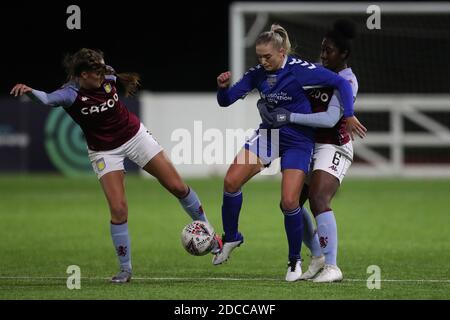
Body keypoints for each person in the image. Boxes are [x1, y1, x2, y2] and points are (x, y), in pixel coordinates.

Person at [10, 48, 221, 284]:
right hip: (104, 151)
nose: (101, 76)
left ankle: (212, 237)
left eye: (101, 70)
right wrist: (29, 92)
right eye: (95, 73)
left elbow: (111, 73)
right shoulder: (70, 94)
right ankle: (125, 269)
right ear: (82, 75)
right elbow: (47, 99)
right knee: (119, 210)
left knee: (178, 187)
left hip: (135, 137)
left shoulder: (107, 74)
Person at [213, 24, 357, 282]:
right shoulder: (260, 72)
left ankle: (298, 262)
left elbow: (338, 97)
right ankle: (232, 237)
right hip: (270, 135)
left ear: (281, 53)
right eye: (259, 57)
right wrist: (223, 88)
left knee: (293, 201)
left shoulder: (304, 70)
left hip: (303, 140)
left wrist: (348, 115)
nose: (262, 61)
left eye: (267, 56)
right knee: (231, 180)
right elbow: (227, 100)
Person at [258, 19, 366, 282]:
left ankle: (332, 266)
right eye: (322, 49)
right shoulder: (316, 71)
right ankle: (317, 255)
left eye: (329, 50)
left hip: (335, 146)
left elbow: (330, 120)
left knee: (318, 198)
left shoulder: (348, 81)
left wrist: (288, 117)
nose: (323, 54)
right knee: (289, 203)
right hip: (310, 145)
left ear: (344, 54)